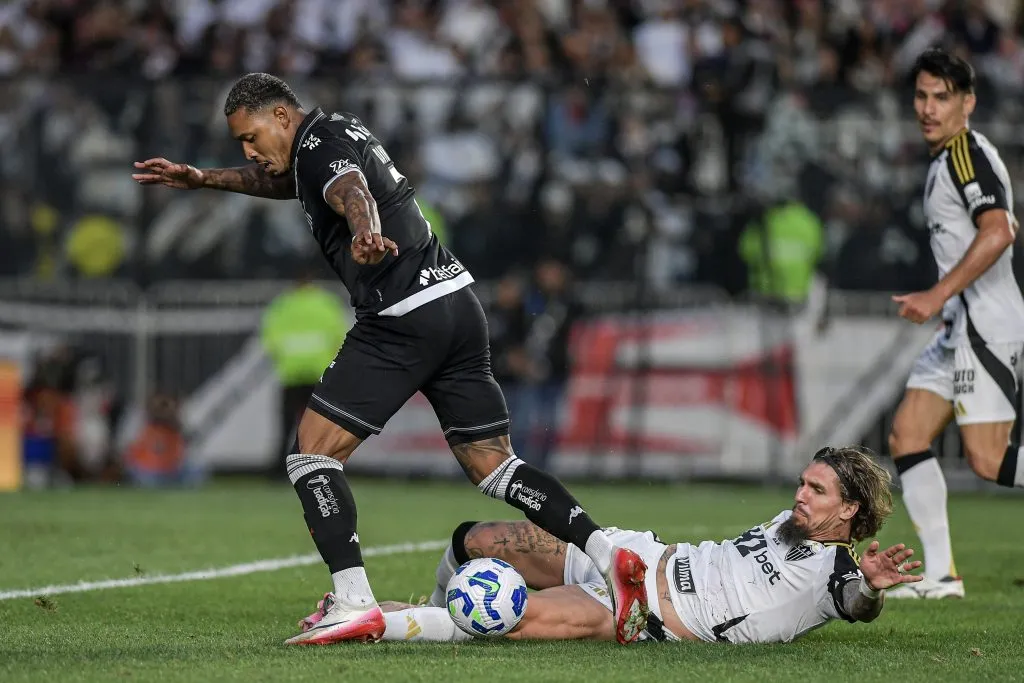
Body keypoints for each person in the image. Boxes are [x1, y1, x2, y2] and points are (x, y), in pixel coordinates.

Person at [131, 73, 647, 646]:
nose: (249, 152)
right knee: (495, 467)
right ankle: (610, 557)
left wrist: (365, 230)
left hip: (402, 316)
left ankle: (353, 601)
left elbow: (351, 190)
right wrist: (204, 179)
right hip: (456, 304)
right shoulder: (328, 136)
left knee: (312, 455)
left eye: (250, 137)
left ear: (280, 116)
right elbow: (292, 184)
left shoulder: (319, 147)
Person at [299, 446, 922, 644]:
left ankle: (373, 623)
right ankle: (428, 599)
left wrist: (868, 586)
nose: (800, 494)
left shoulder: (832, 577)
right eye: (803, 481)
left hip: (643, 614)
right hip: (639, 556)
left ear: (850, 509)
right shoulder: (789, 522)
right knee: (480, 538)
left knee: (502, 618)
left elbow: (854, 602)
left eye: (816, 490)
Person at [887, 48, 1024, 599]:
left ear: (967, 103)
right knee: (907, 435)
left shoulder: (965, 153)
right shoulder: (947, 158)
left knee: (989, 459)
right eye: (921, 96)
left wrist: (936, 293)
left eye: (941, 97)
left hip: (985, 324)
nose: (928, 108)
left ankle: (942, 574)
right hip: (959, 326)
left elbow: (1000, 231)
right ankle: (941, 576)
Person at [260, 273, 348, 480]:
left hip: (291, 373)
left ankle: (280, 471)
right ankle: (323, 468)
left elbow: (270, 338)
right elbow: (339, 336)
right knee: (320, 426)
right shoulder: (326, 303)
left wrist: (283, 358)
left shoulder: (283, 305)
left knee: (286, 426)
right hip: (319, 372)